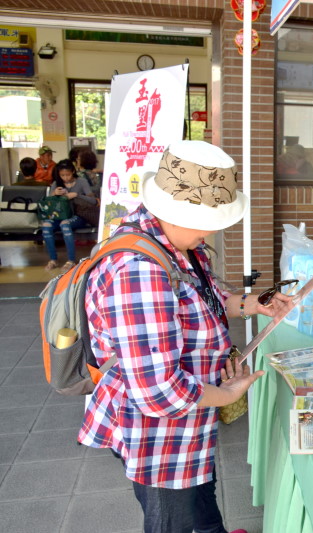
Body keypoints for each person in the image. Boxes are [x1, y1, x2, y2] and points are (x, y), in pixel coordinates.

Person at [78, 140, 292, 533]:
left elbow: (203, 297)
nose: (215, 229)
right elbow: (157, 391)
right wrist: (228, 394)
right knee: (171, 518)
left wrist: (252, 303)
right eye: (212, 219)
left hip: (186, 424)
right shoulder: (140, 272)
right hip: (158, 437)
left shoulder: (171, 240)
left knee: (200, 492)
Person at [41, 159, 95, 271]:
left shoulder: (81, 181)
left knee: (65, 225)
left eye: (68, 174)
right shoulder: (56, 183)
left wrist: (76, 195)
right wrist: (54, 194)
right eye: (62, 175)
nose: (65, 178)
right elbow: (49, 203)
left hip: (79, 215)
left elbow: (92, 200)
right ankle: (53, 259)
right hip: (59, 215)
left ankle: (71, 260)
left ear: (73, 171)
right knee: (46, 226)